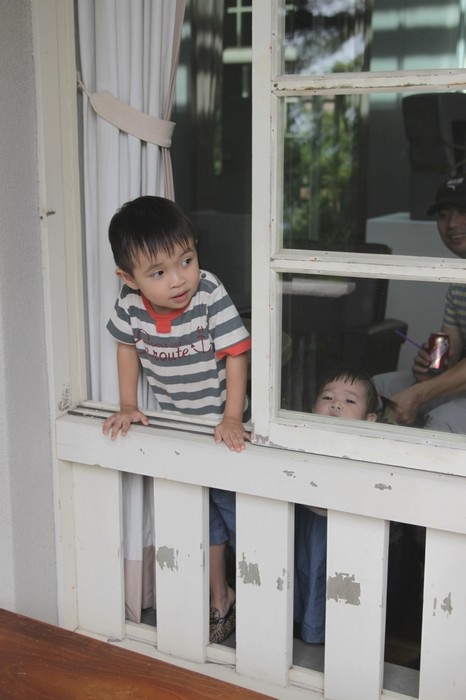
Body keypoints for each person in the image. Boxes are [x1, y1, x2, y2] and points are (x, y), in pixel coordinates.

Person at [102, 195, 251, 644]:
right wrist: (128, 404)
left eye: (186, 260)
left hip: (223, 428)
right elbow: (126, 347)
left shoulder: (208, 291)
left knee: (240, 515)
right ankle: (220, 597)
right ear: (128, 278)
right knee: (203, 520)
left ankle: (268, 598)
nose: (179, 279)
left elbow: (236, 353)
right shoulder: (130, 304)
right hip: (180, 430)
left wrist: (232, 417)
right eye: (159, 273)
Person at [293, 367, 393, 644]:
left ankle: (342, 637)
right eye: (327, 398)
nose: (336, 404)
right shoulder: (302, 439)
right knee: (309, 573)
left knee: (343, 580)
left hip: (350, 527)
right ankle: (310, 629)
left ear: (369, 419)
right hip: (311, 522)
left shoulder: (369, 451)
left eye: (349, 401)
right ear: (312, 409)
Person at [373, 175, 466, 431]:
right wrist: (430, 367)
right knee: (378, 388)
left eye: (463, 211)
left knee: (444, 419)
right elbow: (451, 353)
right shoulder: (459, 280)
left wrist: (420, 392)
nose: (452, 224)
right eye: (444, 215)